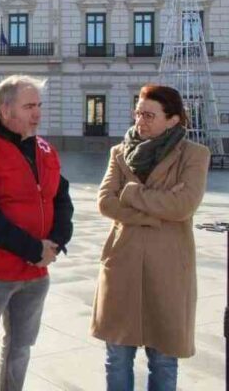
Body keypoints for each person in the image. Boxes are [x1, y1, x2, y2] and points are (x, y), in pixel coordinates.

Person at [0, 75, 74, 391]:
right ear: (6, 110)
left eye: (39, 105)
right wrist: (34, 249)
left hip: (35, 275)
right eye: (29, 106)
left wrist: (56, 242)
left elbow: (61, 198)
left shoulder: (44, 149)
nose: (38, 113)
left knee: (21, 348)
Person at [92, 84, 210, 391]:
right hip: (122, 265)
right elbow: (105, 202)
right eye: (137, 113)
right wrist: (155, 211)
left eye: (148, 114)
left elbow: (184, 205)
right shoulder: (119, 152)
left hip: (168, 269)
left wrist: (131, 194)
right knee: (117, 356)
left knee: (163, 360)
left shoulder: (195, 155)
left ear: (172, 120)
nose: (139, 121)